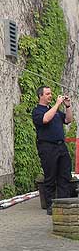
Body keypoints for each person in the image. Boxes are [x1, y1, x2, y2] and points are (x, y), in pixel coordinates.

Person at [32, 86, 74, 215]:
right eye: (48, 94)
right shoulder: (37, 111)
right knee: (50, 177)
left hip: (61, 146)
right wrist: (57, 104)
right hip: (47, 147)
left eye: (51, 93)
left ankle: (64, 202)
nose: (50, 95)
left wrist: (67, 106)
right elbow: (45, 119)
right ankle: (50, 205)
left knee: (65, 175)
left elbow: (68, 120)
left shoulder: (54, 110)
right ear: (41, 96)